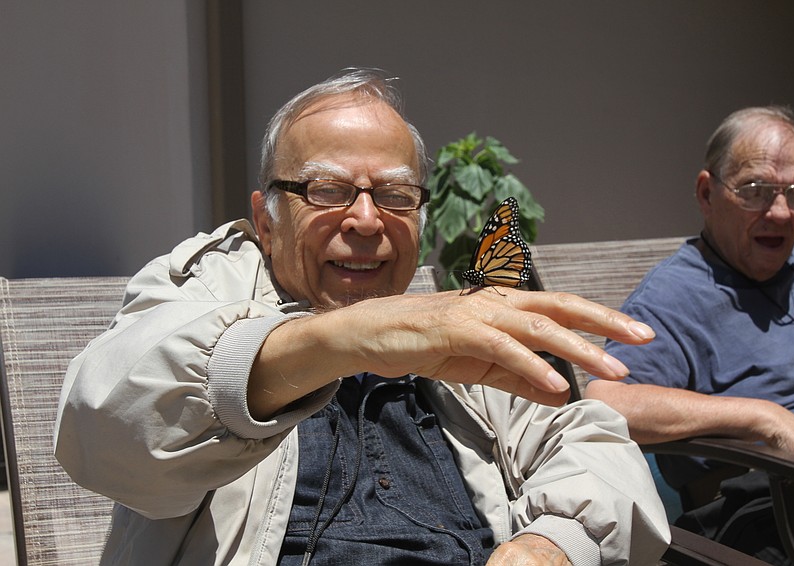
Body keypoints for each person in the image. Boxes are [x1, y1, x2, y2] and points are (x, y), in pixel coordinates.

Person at [54, 68, 670, 566]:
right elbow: (103, 426)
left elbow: (585, 440)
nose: (368, 220)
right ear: (266, 220)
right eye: (327, 190)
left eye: (395, 196)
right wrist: (343, 339)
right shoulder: (206, 287)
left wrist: (552, 545)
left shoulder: (444, 325)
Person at [585, 105, 794, 565]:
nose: (781, 212)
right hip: (780, 497)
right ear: (708, 193)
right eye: (755, 191)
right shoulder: (671, 295)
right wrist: (769, 418)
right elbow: (608, 401)